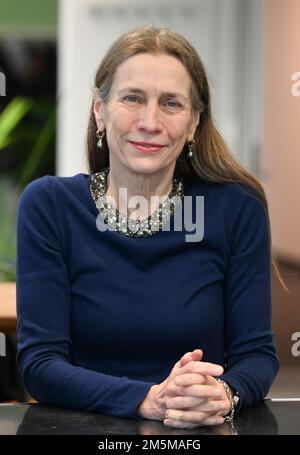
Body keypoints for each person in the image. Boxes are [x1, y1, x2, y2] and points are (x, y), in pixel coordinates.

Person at [16, 26, 281, 430]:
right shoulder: (50, 205)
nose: (150, 121)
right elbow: (40, 365)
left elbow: (257, 356)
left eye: (171, 104)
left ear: (194, 123)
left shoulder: (236, 209)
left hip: (193, 430)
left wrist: (223, 394)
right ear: (99, 111)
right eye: (132, 98)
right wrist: (147, 399)